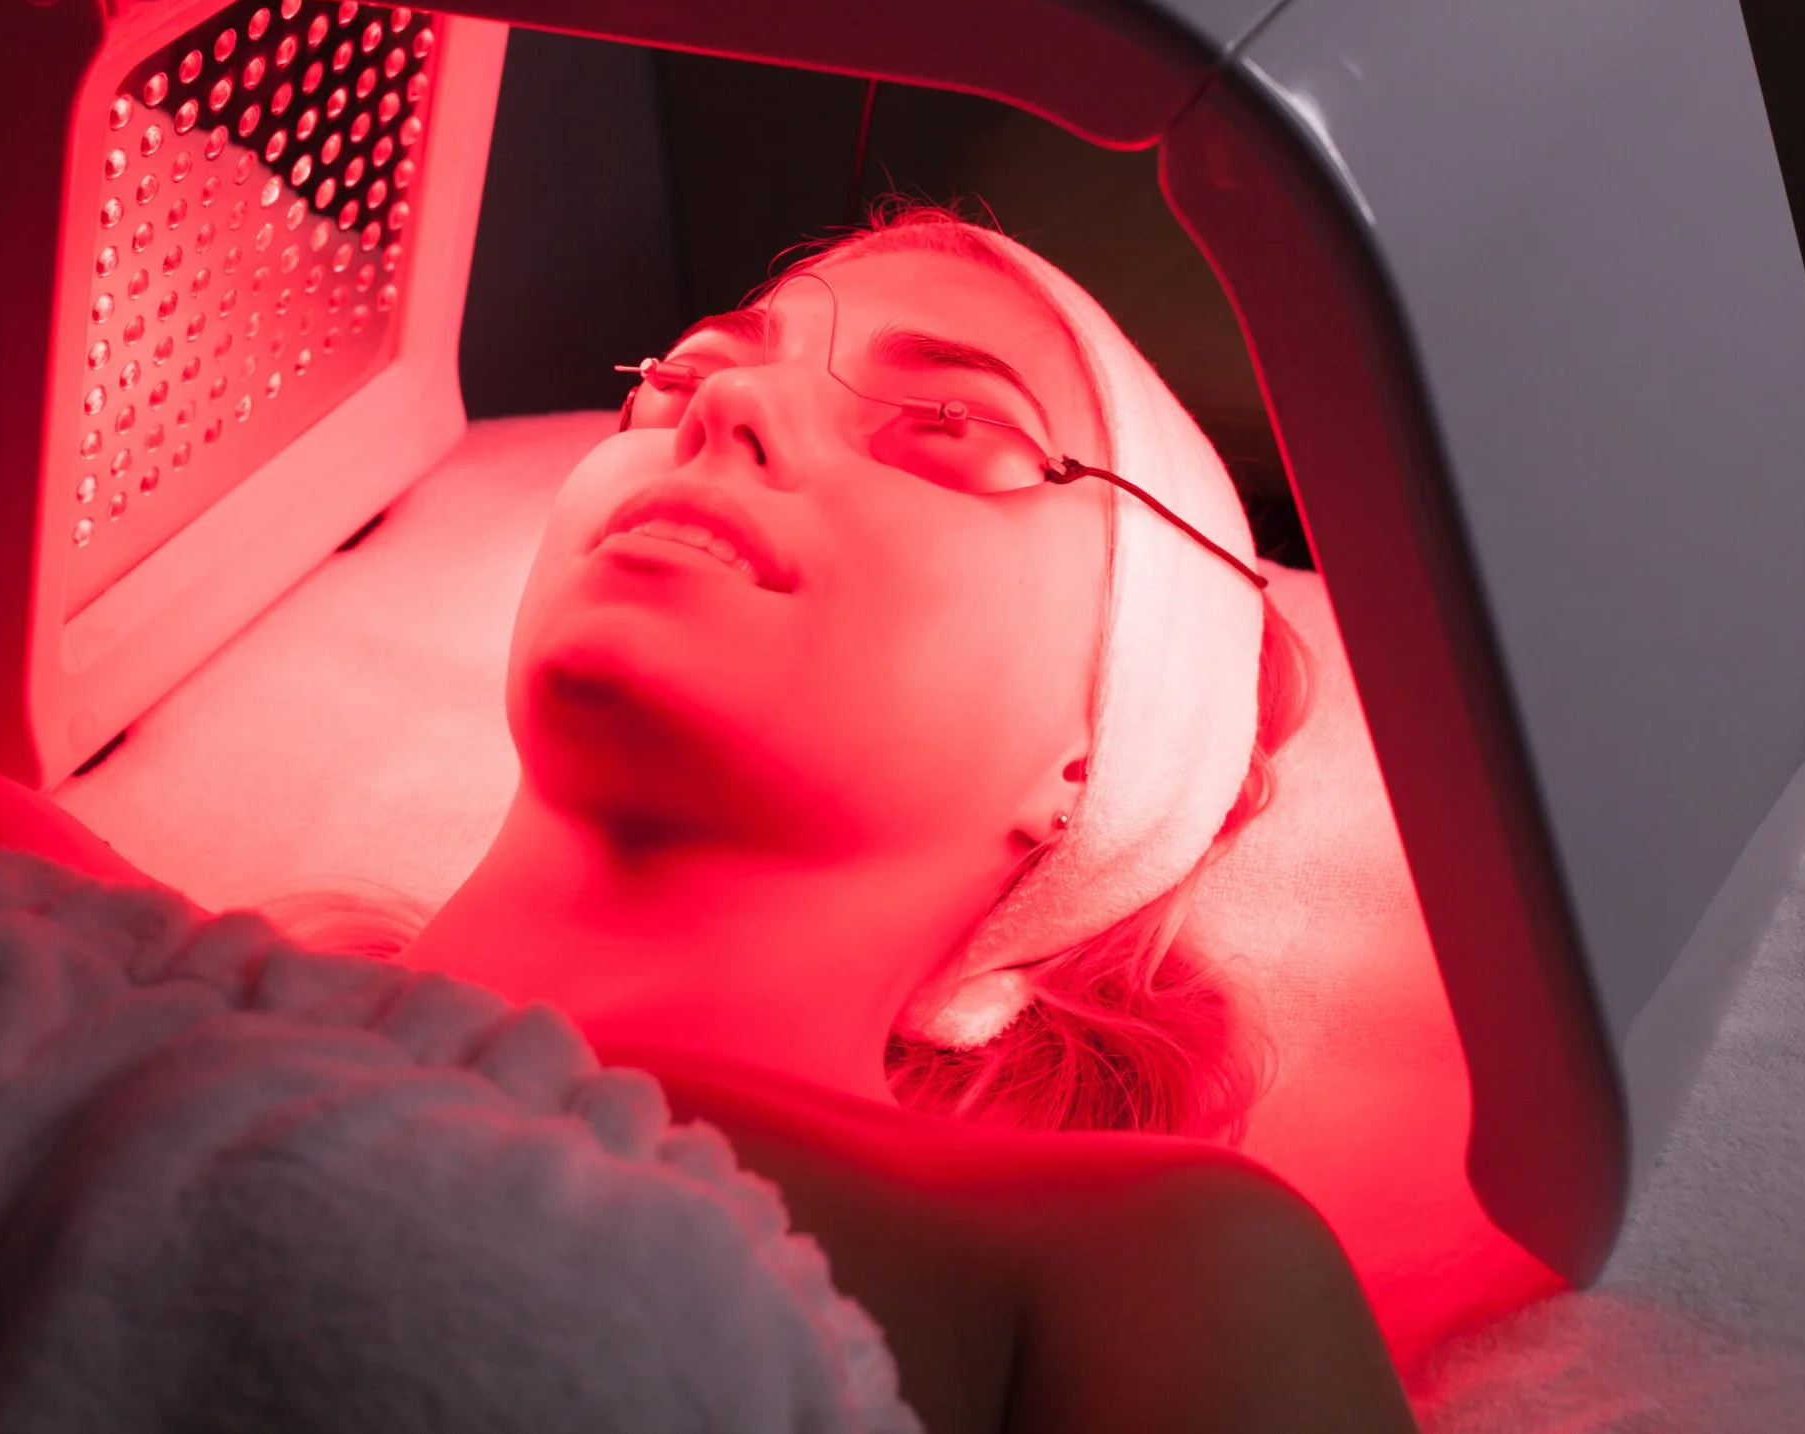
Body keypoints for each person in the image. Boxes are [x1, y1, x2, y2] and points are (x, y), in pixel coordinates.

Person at [387, 203, 1415, 1432]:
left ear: (1101, 748)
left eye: (949, 426)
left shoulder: (1128, 1272)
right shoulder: (113, 959)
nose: (726, 410)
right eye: (687, 373)